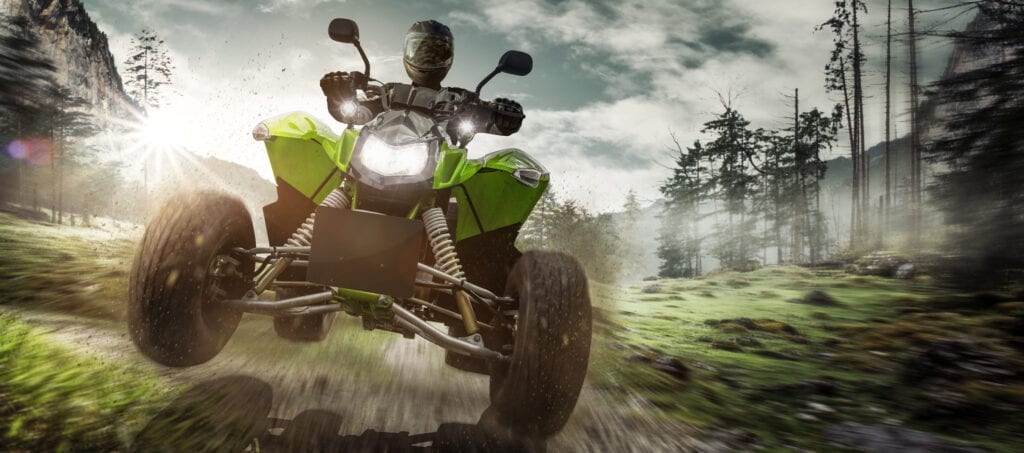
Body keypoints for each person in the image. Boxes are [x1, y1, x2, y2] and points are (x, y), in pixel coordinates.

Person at [320, 20, 455, 125]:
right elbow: (357, 114)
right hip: (383, 153)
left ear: (448, 57)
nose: (428, 59)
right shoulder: (390, 94)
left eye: (437, 54)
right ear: (407, 53)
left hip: (441, 159)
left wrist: (475, 112)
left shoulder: (458, 99)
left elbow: (473, 121)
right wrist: (339, 96)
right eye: (420, 53)